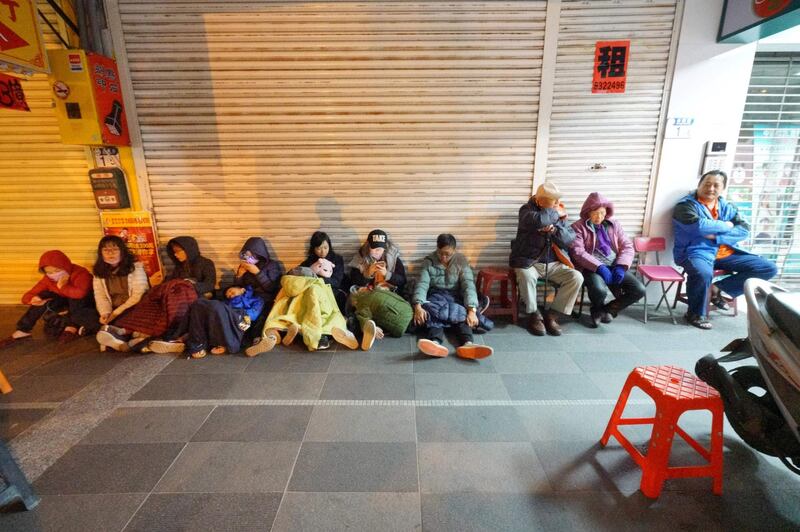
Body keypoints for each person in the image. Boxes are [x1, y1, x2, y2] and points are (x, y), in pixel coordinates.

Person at [673, 170, 777, 330]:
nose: (711, 188)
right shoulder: (685, 206)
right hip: (696, 252)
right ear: (699, 185)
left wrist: (717, 237)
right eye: (707, 184)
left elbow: (744, 230)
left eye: (716, 185)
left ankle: (719, 288)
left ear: (723, 188)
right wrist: (727, 225)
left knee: (767, 268)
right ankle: (695, 314)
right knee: (703, 273)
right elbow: (699, 227)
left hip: (726, 252)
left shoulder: (727, 207)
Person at [510, 182, 582, 336]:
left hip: (554, 263)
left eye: (557, 201)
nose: (557, 204)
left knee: (576, 277)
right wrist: (554, 214)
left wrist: (555, 229)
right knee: (525, 276)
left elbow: (569, 238)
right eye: (553, 202)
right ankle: (533, 314)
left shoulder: (556, 211)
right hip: (529, 262)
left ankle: (552, 315)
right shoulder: (526, 210)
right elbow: (538, 220)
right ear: (540, 200)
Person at [412, 233, 493, 359]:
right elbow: (422, 284)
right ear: (437, 249)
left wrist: (472, 310)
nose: (443, 257)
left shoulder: (461, 261)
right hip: (436, 295)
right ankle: (435, 343)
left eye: (447, 254)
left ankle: (468, 344)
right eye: (440, 253)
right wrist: (418, 305)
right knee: (433, 315)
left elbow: (468, 286)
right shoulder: (429, 262)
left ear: (454, 250)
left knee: (461, 314)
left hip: (455, 296)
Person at [570, 192, 645, 327]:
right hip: (592, 267)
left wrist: (621, 266)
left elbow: (627, 246)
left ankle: (607, 310)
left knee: (639, 289)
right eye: (595, 213)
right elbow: (578, 252)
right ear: (588, 212)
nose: (599, 217)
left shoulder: (614, 225)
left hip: (614, 265)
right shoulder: (578, 227)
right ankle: (597, 308)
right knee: (600, 290)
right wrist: (600, 267)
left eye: (602, 213)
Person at [0, 250, 98, 347]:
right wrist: (33, 299)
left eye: (57, 271)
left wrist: (62, 287)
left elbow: (80, 293)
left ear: (66, 266)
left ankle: (71, 327)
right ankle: (23, 330)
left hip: (84, 305)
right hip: (64, 303)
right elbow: (27, 296)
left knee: (75, 296)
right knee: (43, 294)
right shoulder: (49, 279)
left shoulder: (80, 273)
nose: (54, 274)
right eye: (49, 272)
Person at [245, 270, 348, 354]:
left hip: (286, 318)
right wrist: (312, 340)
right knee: (333, 323)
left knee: (272, 327)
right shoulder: (314, 286)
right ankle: (312, 337)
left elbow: (277, 303)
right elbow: (315, 310)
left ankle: (272, 338)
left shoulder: (285, 286)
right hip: (304, 320)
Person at [150, 285, 264, 359]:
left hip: (241, 318)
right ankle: (190, 342)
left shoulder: (255, 299)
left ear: (242, 289)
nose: (229, 295)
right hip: (223, 316)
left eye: (230, 291)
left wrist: (240, 312)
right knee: (198, 304)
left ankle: (221, 344)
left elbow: (254, 314)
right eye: (227, 294)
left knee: (214, 306)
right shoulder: (225, 302)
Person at [92, 236, 150, 351]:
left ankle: (113, 336)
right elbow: (100, 296)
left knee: (123, 318)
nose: (110, 253)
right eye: (106, 250)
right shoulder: (99, 272)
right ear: (101, 253)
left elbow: (138, 296)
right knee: (90, 316)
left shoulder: (136, 267)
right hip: (113, 308)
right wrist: (105, 313)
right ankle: (123, 339)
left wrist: (115, 313)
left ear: (122, 251)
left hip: (133, 306)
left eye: (115, 249)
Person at [331, 286, 414, 351]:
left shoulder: (362, 302)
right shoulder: (378, 290)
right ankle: (368, 331)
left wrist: (367, 326)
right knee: (373, 314)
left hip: (399, 323)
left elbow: (363, 316)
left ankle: (352, 332)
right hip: (408, 309)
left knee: (357, 319)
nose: (363, 287)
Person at [236, 236, 283, 346]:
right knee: (242, 315)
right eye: (247, 255)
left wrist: (257, 272)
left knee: (261, 316)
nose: (249, 258)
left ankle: (258, 339)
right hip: (249, 299)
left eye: (252, 254)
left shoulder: (272, 265)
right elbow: (238, 287)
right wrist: (239, 275)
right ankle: (241, 338)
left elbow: (272, 287)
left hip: (266, 299)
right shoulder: (244, 266)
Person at [348, 229, 407, 293]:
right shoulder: (360, 258)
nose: (378, 251)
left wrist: (387, 274)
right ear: (368, 246)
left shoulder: (392, 258)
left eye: (381, 248)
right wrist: (368, 274)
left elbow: (402, 281)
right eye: (374, 248)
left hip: (388, 293)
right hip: (368, 294)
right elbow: (354, 282)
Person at [299, 231, 347, 309]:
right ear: (313, 248)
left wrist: (317, 280)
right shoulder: (310, 261)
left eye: (325, 247)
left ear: (329, 246)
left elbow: (336, 282)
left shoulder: (337, 259)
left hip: (333, 290)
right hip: (315, 292)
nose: (323, 252)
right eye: (319, 248)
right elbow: (297, 272)